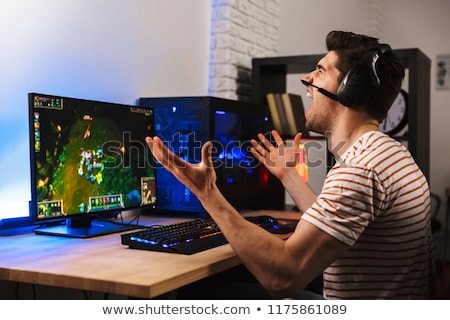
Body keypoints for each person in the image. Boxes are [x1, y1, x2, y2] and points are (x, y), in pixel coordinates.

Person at [145, 30, 435, 299]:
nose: (308, 80)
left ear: (351, 90)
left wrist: (207, 193)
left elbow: (285, 276)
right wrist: (288, 175)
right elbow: (332, 225)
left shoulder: (360, 170)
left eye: (320, 71)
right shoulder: (388, 153)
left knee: (206, 293)